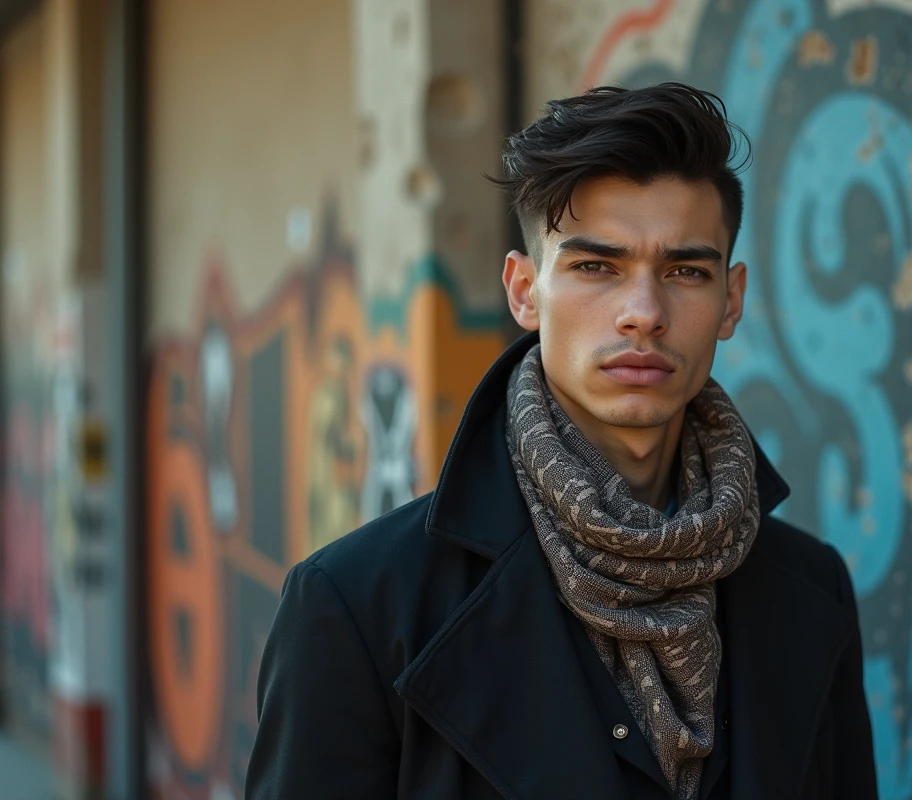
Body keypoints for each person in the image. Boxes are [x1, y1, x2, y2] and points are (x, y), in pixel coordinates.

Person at [246, 82, 878, 800]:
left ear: (730, 300)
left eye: (685, 271)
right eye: (595, 267)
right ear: (524, 292)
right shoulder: (359, 607)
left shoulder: (809, 587)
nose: (643, 313)